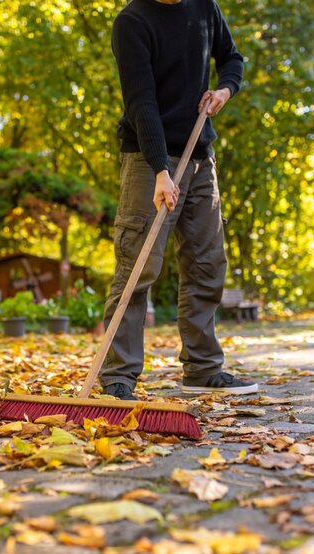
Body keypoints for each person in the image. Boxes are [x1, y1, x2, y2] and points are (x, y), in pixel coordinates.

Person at [101, 0, 259, 400]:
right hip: (147, 157)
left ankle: (203, 369)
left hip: (200, 157)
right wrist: (160, 171)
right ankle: (118, 375)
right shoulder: (132, 23)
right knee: (139, 263)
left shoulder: (205, 8)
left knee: (207, 263)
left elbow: (232, 58)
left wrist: (225, 89)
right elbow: (141, 103)